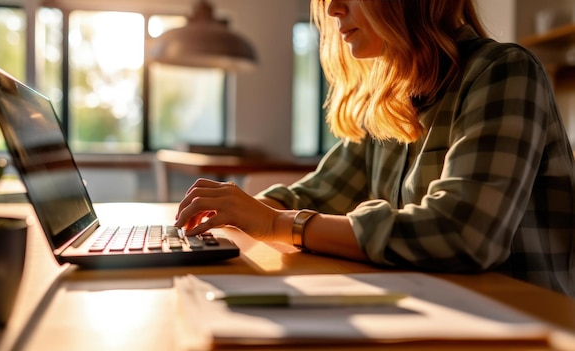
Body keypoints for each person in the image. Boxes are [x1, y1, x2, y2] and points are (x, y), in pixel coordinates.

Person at [175, 0, 575, 297]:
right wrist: (236, 210)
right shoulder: (386, 105)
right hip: (435, 311)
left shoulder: (503, 71)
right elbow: (316, 194)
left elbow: (461, 234)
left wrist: (281, 224)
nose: (332, 8)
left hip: (525, 321)